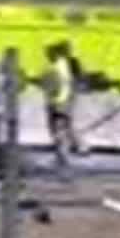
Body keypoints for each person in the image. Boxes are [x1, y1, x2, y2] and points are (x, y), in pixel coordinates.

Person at [40, 42, 81, 171]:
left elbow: (62, 86)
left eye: (49, 54)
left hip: (59, 103)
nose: (47, 56)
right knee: (63, 128)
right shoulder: (60, 65)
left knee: (59, 129)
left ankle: (63, 156)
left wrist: (58, 102)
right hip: (60, 102)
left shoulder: (59, 67)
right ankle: (73, 149)